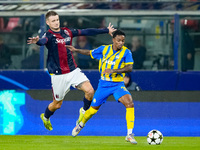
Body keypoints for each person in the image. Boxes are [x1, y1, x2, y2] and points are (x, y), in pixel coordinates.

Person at [27, 10, 116, 131]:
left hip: (73, 70)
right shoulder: (48, 35)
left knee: (90, 91)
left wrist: (106, 30)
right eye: (53, 21)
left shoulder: (67, 32)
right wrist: (37, 41)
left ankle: (83, 111)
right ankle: (46, 117)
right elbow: (43, 42)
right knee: (57, 104)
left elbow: (86, 31)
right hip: (58, 75)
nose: (56, 22)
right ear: (48, 22)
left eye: (57, 20)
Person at [67, 30, 137, 144]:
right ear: (113, 40)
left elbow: (129, 68)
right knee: (92, 111)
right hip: (103, 85)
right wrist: (76, 50)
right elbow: (90, 53)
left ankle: (129, 134)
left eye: (123, 41)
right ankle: (80, 125)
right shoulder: (104, 49)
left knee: (130, 103)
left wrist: (114, 70)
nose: (121, 43)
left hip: (118, 84)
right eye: (119, 40)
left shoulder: (126, 52)